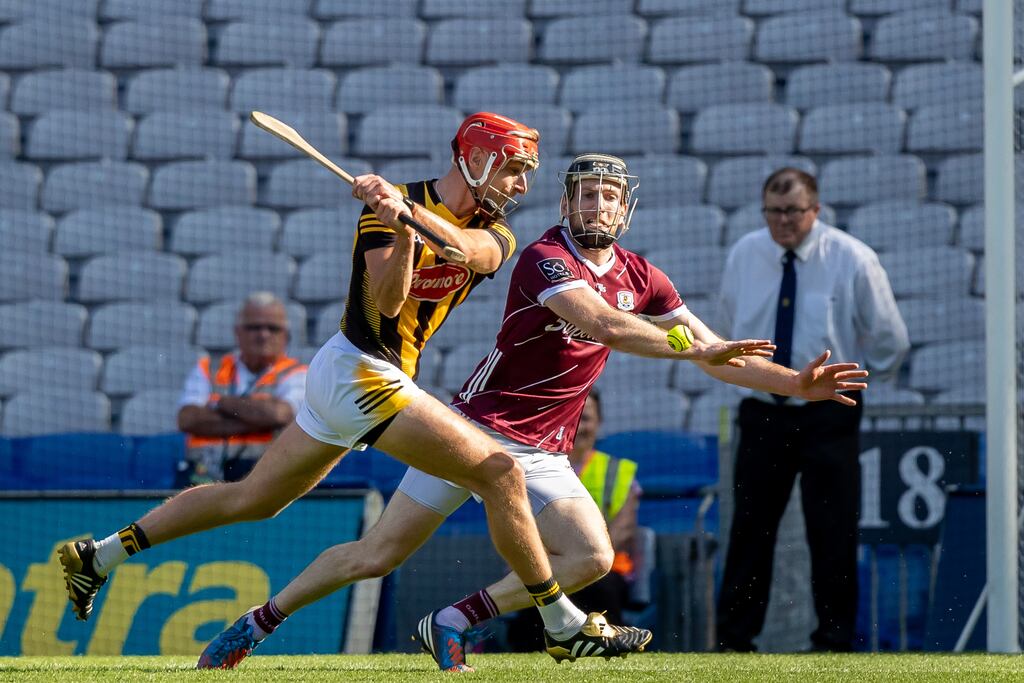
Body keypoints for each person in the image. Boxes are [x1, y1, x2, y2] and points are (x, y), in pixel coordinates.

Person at [195, 154, 867, 672]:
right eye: (584, 192)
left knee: (593, 554)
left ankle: (453, 621)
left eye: (608, 194)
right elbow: (603, 325)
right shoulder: (545, 258)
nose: (595, 202)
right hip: (474, 428)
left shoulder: (642, 274)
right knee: (377, 552)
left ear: (625, 209)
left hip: (542, 448)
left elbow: (717, 353)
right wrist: (692, 346)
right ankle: (256, 622)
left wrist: (794, 384)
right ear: (566, 202)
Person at [59, 113, 651, 671]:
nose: (522, 185)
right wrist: (398, 224)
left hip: (372, 378)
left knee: (256, 499)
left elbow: (468, 252)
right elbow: (390, 302)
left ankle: (100, 556)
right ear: (475, 159)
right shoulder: (384, 211)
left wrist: (414, 220)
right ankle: (562, 622)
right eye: (514, 169)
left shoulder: (497, 233)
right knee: (499, 473)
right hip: (360, 370)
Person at [715, 167, 910, 653]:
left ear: (816, 210)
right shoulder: (745, 253)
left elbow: (890, 338)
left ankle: (835, 641)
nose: (783, 221)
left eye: (794, 212)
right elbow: (725, 326)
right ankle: (734, 643)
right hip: (762, 409)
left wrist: (862, 375)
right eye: (774, 212)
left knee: (833, 527)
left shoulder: (852, 257)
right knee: (750, 529)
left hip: (831, 411)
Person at [505, 389, 642, 652]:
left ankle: (609, 642)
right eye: (574, 416)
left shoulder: (618, 471)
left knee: (597, 586)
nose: (580, 425)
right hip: (547, 567)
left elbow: (622, 530)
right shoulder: (533, 470)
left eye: (587, 418)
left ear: (599, 423)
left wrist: (577, 554)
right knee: (538, 589)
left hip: (606, 572)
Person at [176, 292, 307, 486]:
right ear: (238, 332)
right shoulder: (208, 367)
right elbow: (187, 419)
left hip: (266, 476)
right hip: (202, 474)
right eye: (254, 327)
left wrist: (220, 402)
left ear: (285, 336)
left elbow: (280, 415)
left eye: (273, 328)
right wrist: (259, 420)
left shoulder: (297, 372)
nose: (263, 335)